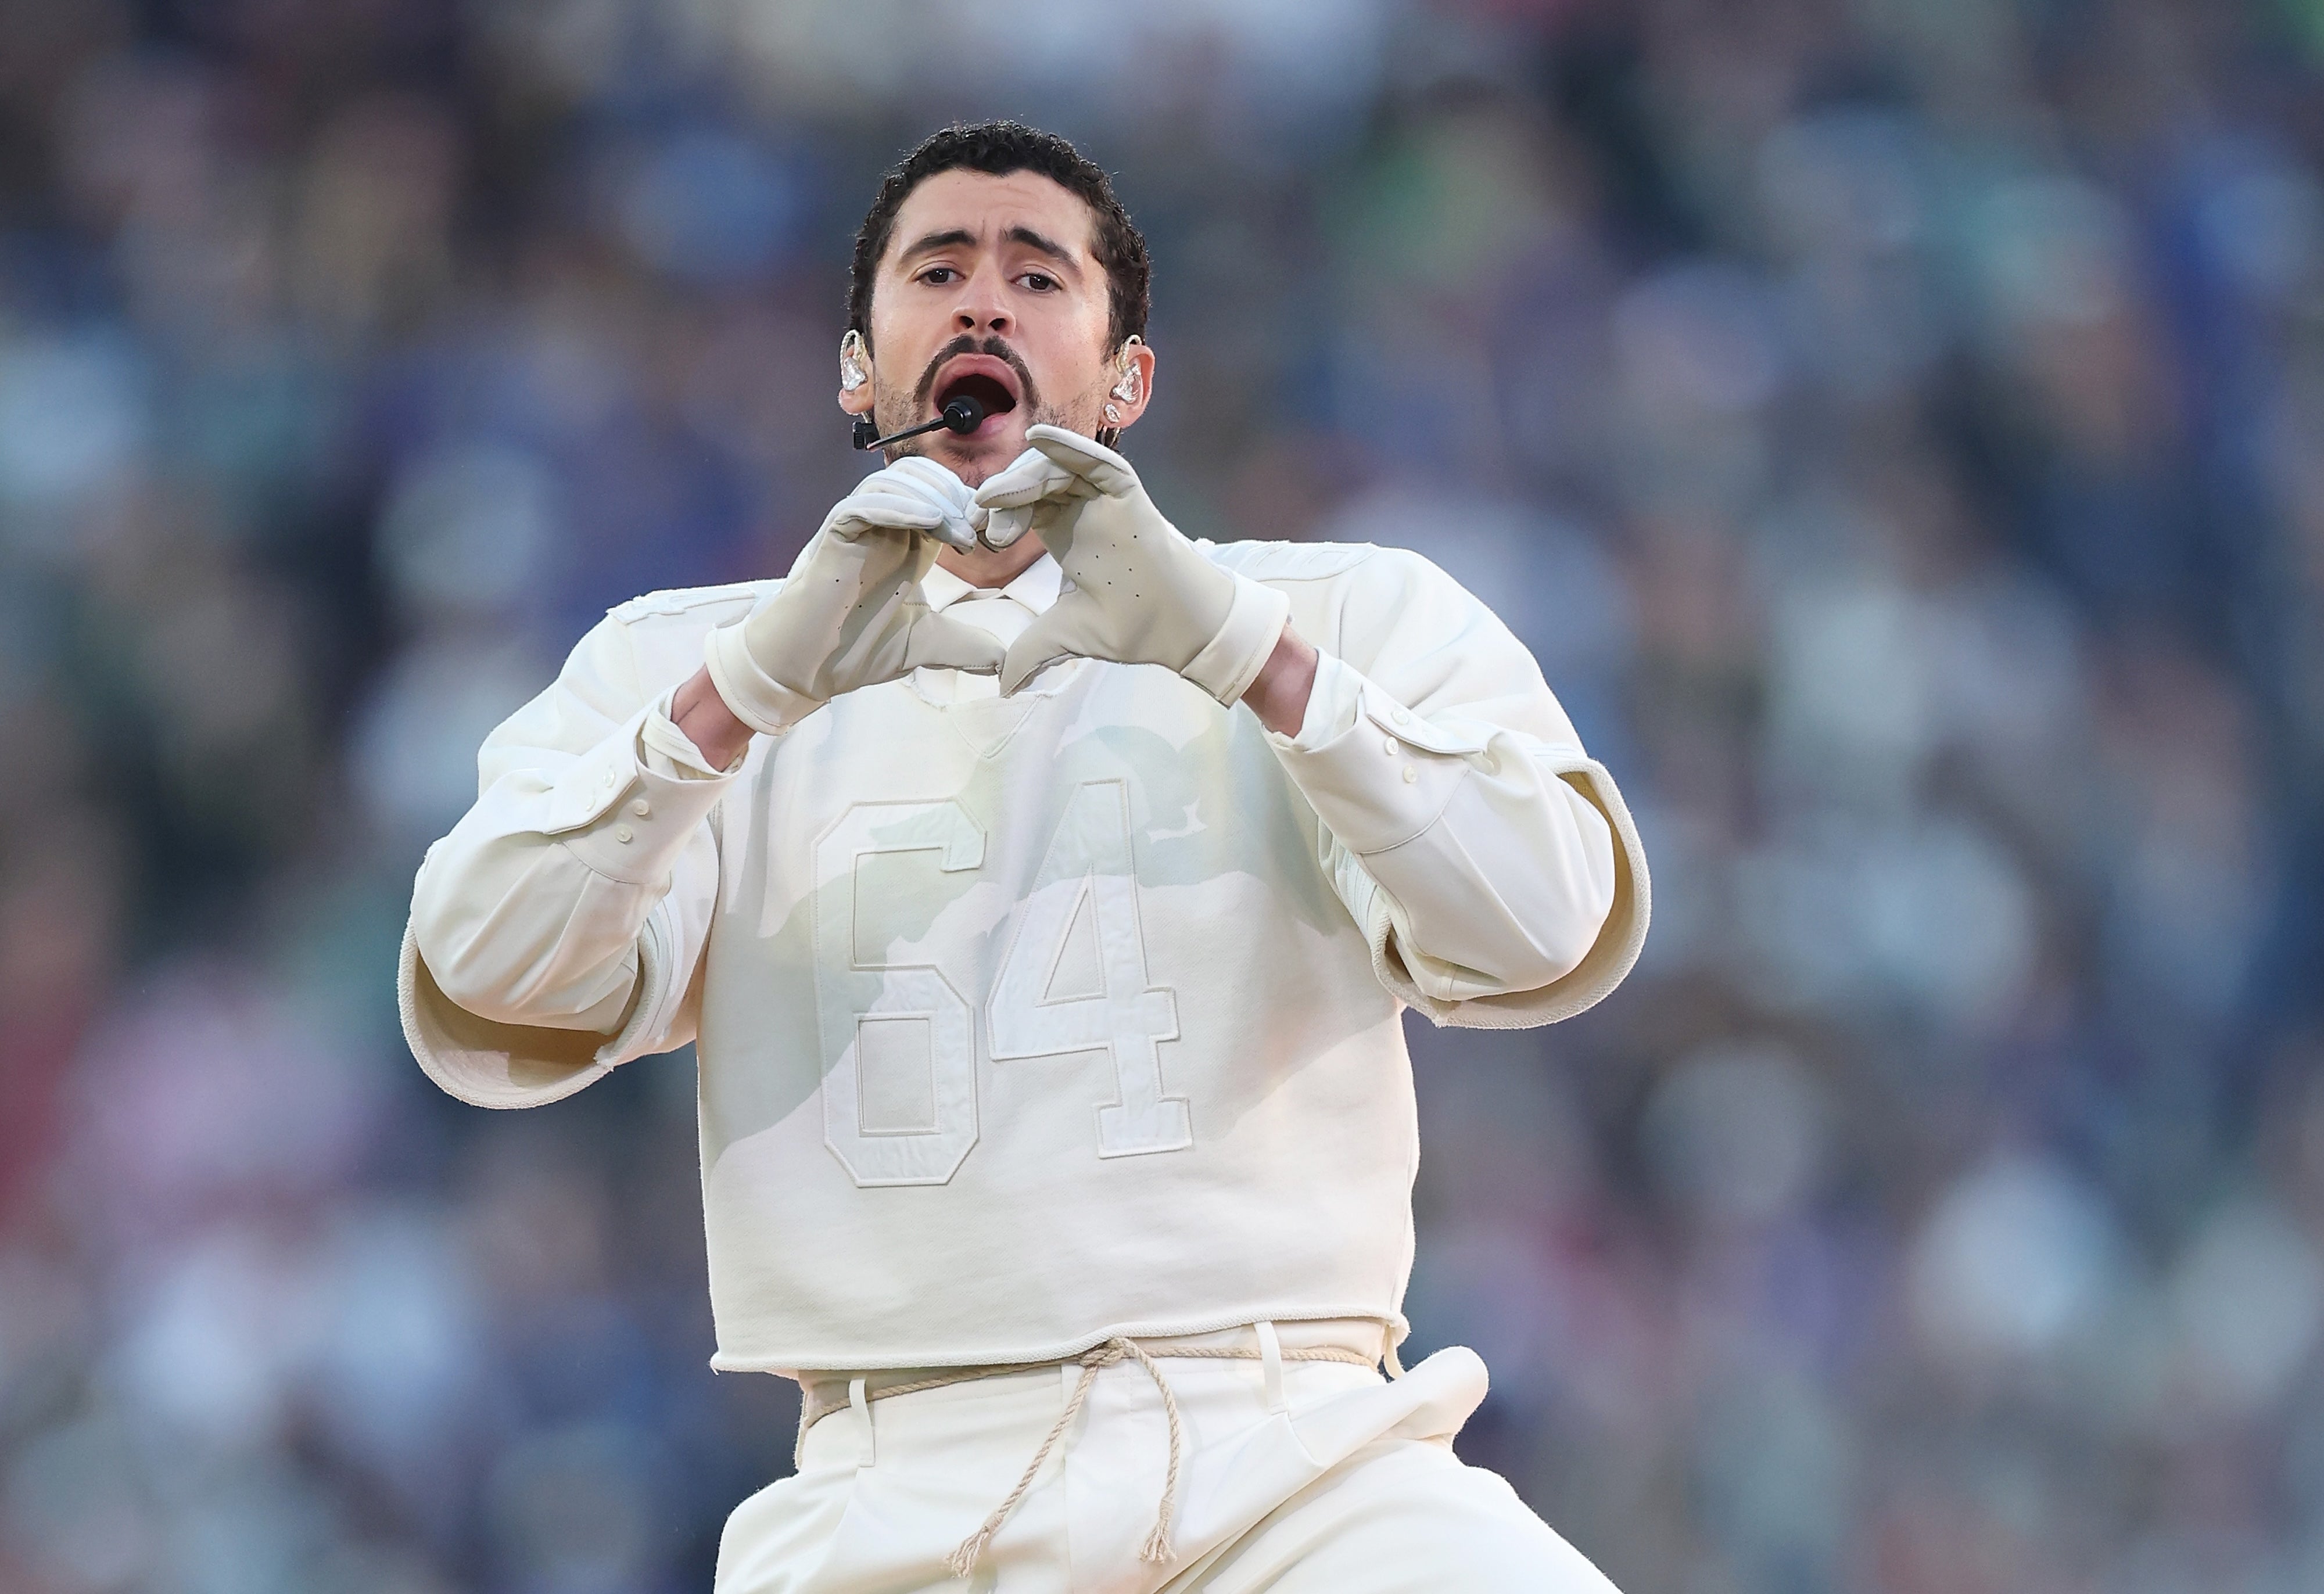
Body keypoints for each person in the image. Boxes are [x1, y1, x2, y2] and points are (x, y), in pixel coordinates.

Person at [401, 120, 1649, 1592]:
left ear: (1126, 379)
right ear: (857, 371)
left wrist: (1243, 652)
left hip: (1301, 1458)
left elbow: (1547, 922)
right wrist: (740, 696)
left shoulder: (1347, 612)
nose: (984, 303)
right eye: (937, 269)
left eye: (1038, 274)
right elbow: (483, 969)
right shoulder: (686, 661)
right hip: (892, 1485)